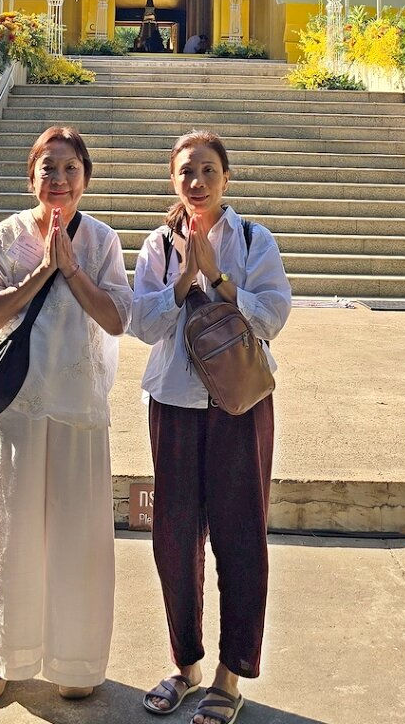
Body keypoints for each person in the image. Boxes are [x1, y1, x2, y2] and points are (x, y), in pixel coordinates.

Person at [0, 125, 133, 703]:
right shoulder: (5, 237)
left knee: (76, 537)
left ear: (85, 178)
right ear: (30, 175)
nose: (58, 180)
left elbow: (117, 319)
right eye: (48, 168)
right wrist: (42, 271)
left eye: (70, 169)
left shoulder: (103, 241)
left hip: (78, 406)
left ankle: (75, 660)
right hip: (16, 407)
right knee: (9, 533)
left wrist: (73, 270)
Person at [131, 130, 292, 724]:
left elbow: (274, 314)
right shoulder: (157, 244)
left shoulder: (253, 239)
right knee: (174, 538)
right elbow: (141, 324)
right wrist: (181, 279)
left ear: (226, 178)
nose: (196, 182)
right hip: (173, 400)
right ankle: (186, 663)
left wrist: (219, 278)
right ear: (173, 180)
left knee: (240, 535)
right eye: (185, 172)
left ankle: (231, 675)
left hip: (240, 405)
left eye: (207, 171)